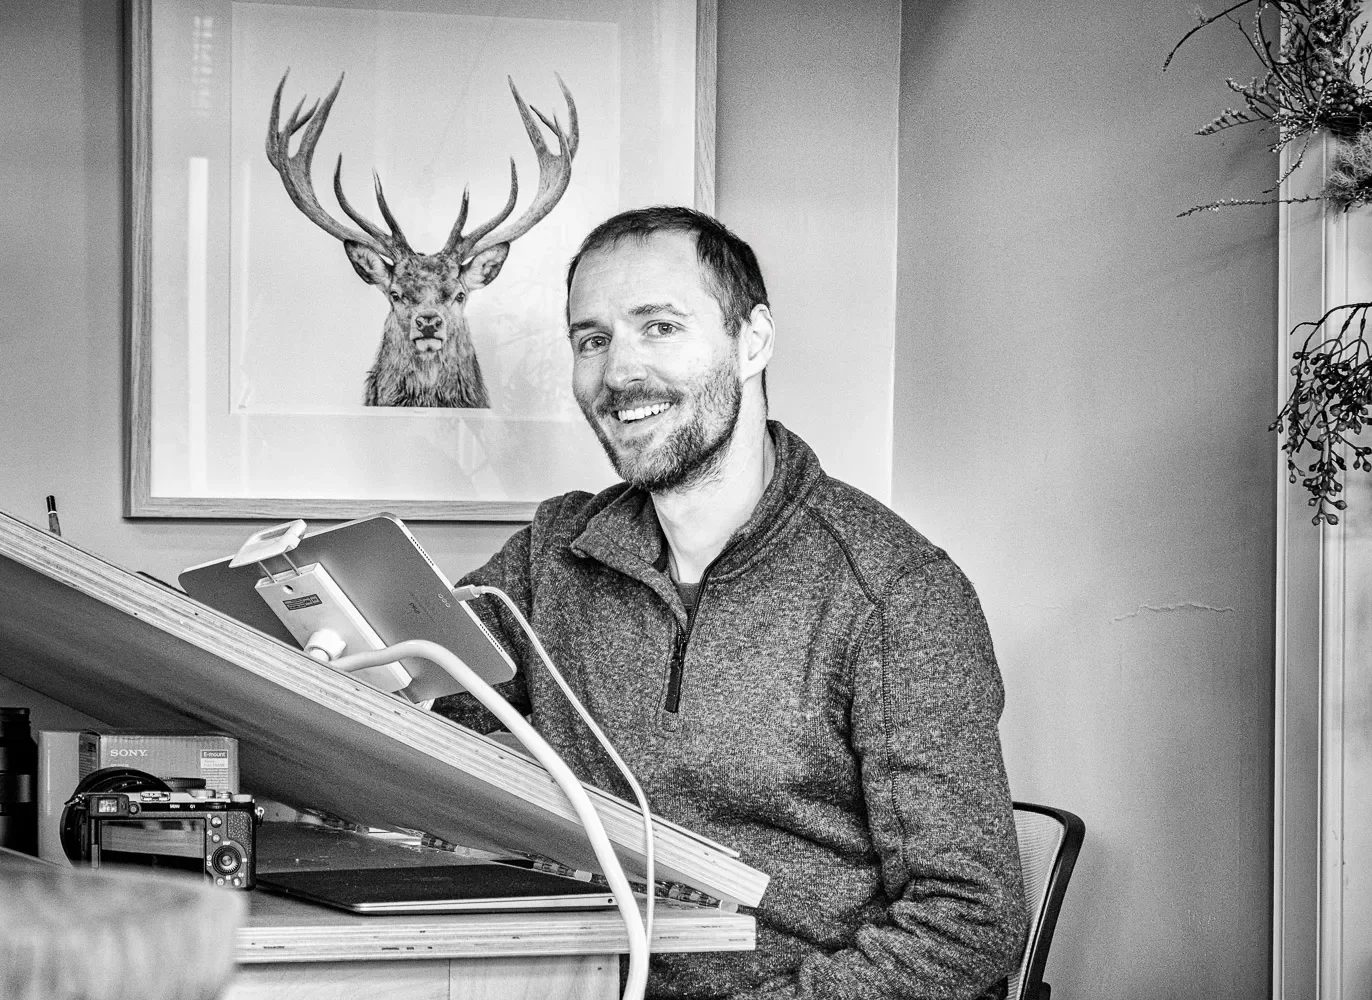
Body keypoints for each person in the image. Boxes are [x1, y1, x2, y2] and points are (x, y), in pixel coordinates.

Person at [436, 206, 1027, 1000]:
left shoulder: (893, 597)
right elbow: (417, 712)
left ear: (753, 341)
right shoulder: (556, 551)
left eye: (660, 327)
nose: (617, 375)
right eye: (592, 339)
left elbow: (969, 922)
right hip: (560, 975)